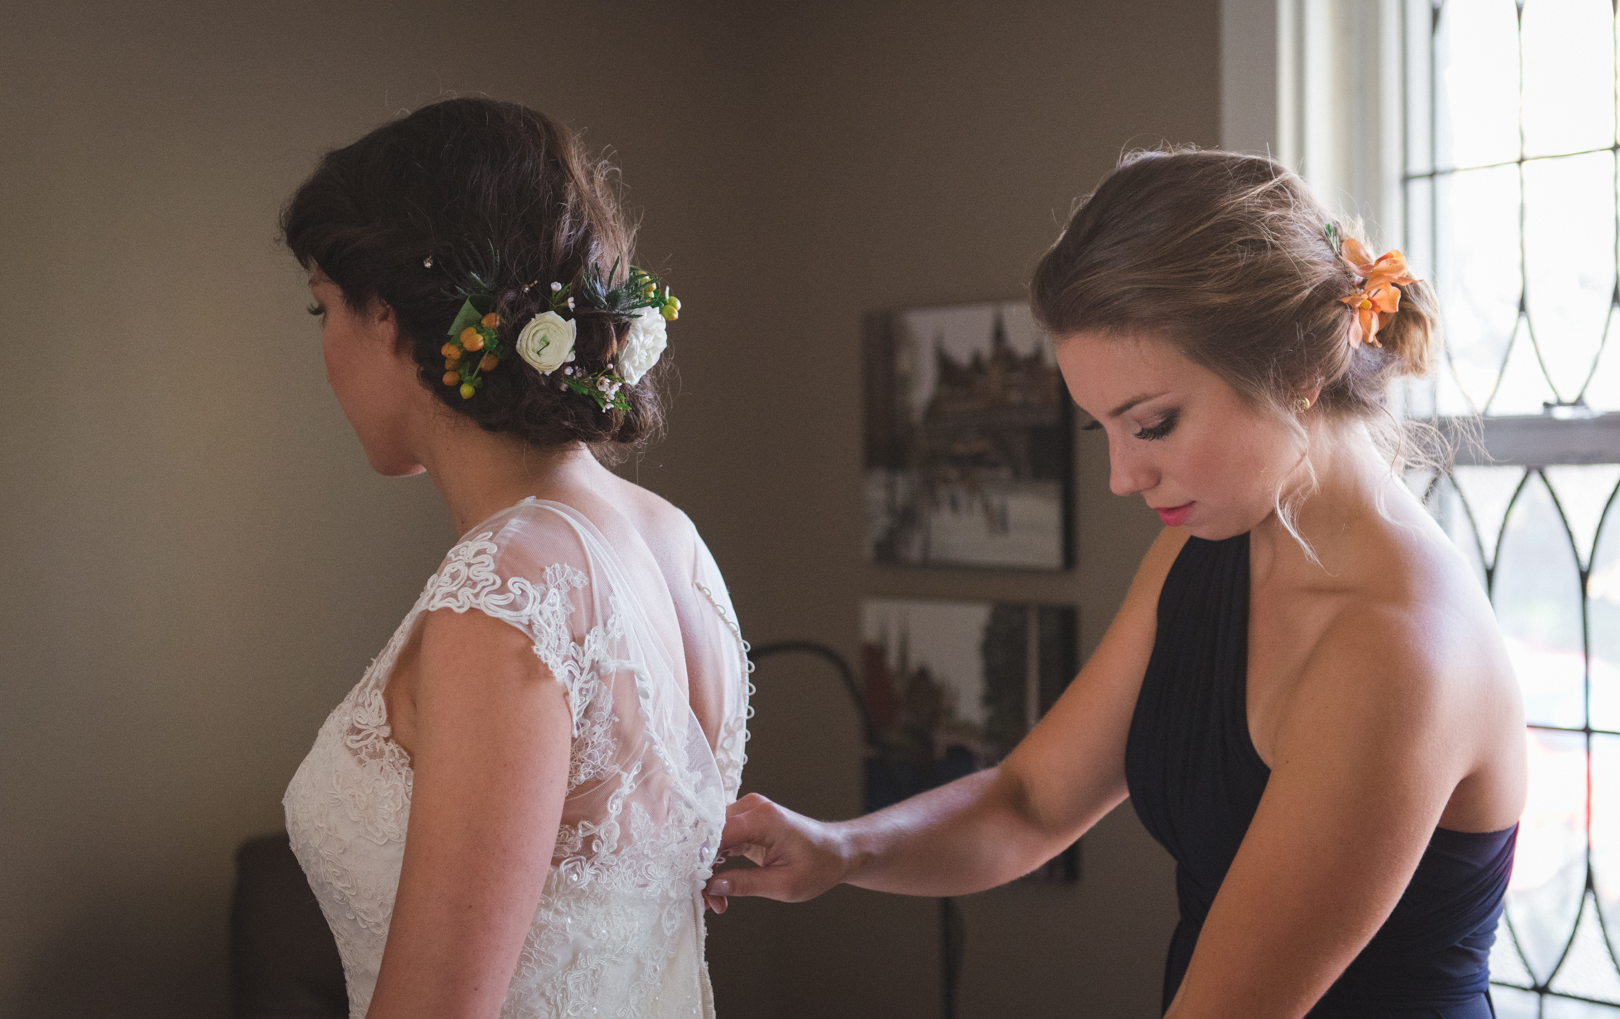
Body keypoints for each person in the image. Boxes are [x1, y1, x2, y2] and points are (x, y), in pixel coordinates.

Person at [707, 150, 1527, 1018]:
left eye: (1152, 424)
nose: (1122, 476)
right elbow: (1028, 803)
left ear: (1294, 372)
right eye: (1103, 428)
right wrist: (840, 849)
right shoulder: (1207, 549)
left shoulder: (1396, 650)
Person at [279, 98, 751, 1019]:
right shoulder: (670, 540)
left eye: (321, 306)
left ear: (388, 318)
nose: (324, 345)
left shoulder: (509, 593)